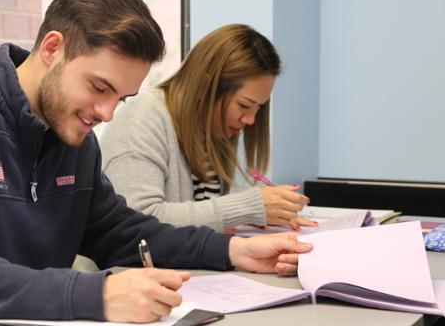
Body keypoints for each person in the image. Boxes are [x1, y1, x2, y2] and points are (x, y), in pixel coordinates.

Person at [0, 0, 312, 325]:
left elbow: (120, 232)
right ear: (52, 48)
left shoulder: (71, 133)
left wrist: (233, 249)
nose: (107, 114)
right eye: (98, 87)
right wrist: (98, 296)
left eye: (120, 99)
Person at [100, 24, 315, 232]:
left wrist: (264, 214)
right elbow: (137, 220)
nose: (251, 120)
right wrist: (247, 208)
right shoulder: (142, 115)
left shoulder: (210, 131)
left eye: (258, 108)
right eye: (244, 105)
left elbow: (204, 216)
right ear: (206, 87)